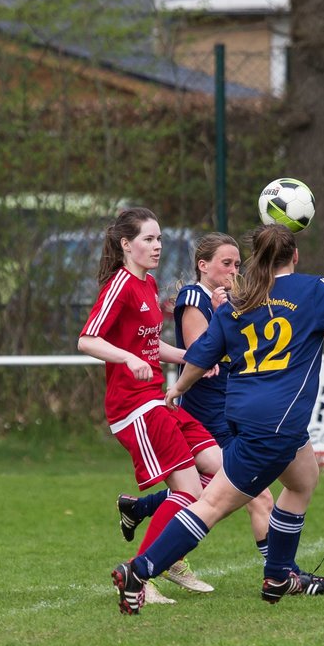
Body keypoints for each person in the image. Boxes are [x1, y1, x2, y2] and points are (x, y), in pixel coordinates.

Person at [111, 224, 324, 615]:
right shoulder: (314, 290)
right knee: (211, 504)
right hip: (276, 421)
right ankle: (139, 570)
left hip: (247, 413)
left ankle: (279, 573)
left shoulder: (239, 301)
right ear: (294, 255)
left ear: (255, 259)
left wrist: (179, 387)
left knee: (303, 479)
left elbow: (203, 354)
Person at [77, 207, 225, 607]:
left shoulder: (148, 285)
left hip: (159, 400)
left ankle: (166, 554)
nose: (157, 246)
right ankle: (141, 573)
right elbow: (87, 340)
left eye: (159, 239)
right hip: (133, 408)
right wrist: (126, 359)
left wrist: (188, 359)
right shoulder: (120, 286)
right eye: (148, 239)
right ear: (126, 244)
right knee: (189, 492)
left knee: (221, 468)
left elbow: (148, 344)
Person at [117, 234, 277, 597]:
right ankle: (280, 576)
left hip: (227, 412)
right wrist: (226, 312)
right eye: (226, 263)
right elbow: (202, 353)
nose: (234, 270)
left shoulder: (229, 301)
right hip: (206, 414)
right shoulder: (194, 297)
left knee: (217, 491)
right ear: (203, 266)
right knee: (251, 493)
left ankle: (145, 519)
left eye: (238, 264)